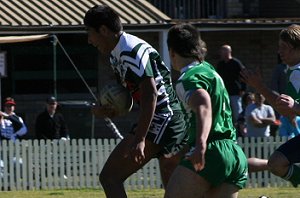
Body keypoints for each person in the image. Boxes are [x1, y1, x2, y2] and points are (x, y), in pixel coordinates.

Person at [84, 5, 188, 197]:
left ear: (104, 30)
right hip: (167, 118)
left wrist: (140, 139)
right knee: (175, 191)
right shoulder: (117, 53)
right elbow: (131, 97)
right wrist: (110, 110)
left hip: (163, 118)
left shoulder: (129, 50)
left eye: (89, 33)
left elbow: (151, 94)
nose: (89, 40)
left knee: (110, 177)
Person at [164, 23, 248, 198]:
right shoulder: (210, 70)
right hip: (233, 154)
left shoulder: (187, 78)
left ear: (172, 52)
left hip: (211, 152)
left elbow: (203, 102)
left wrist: (200, 145)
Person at [241, 24, 300, 187]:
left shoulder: (298, 73)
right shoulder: (291, 70)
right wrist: (259, 86)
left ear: (297, 49)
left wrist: (295, 107)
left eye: (284, 47)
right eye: (278, 47)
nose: (279, 51)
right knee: (276, 162)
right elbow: (282, 105)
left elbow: (290, 107)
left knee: (277, 162)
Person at [216, 44, 247, 125]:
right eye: (221, 51)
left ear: (228, 52)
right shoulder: (220, 64)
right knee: (224, 112)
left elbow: (244, 75)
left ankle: (240, 131)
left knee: (237, 113)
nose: (221, 53)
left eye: (223, 51)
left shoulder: (236, 63)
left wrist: (243, 89)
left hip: (235, 92)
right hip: (224, 93)